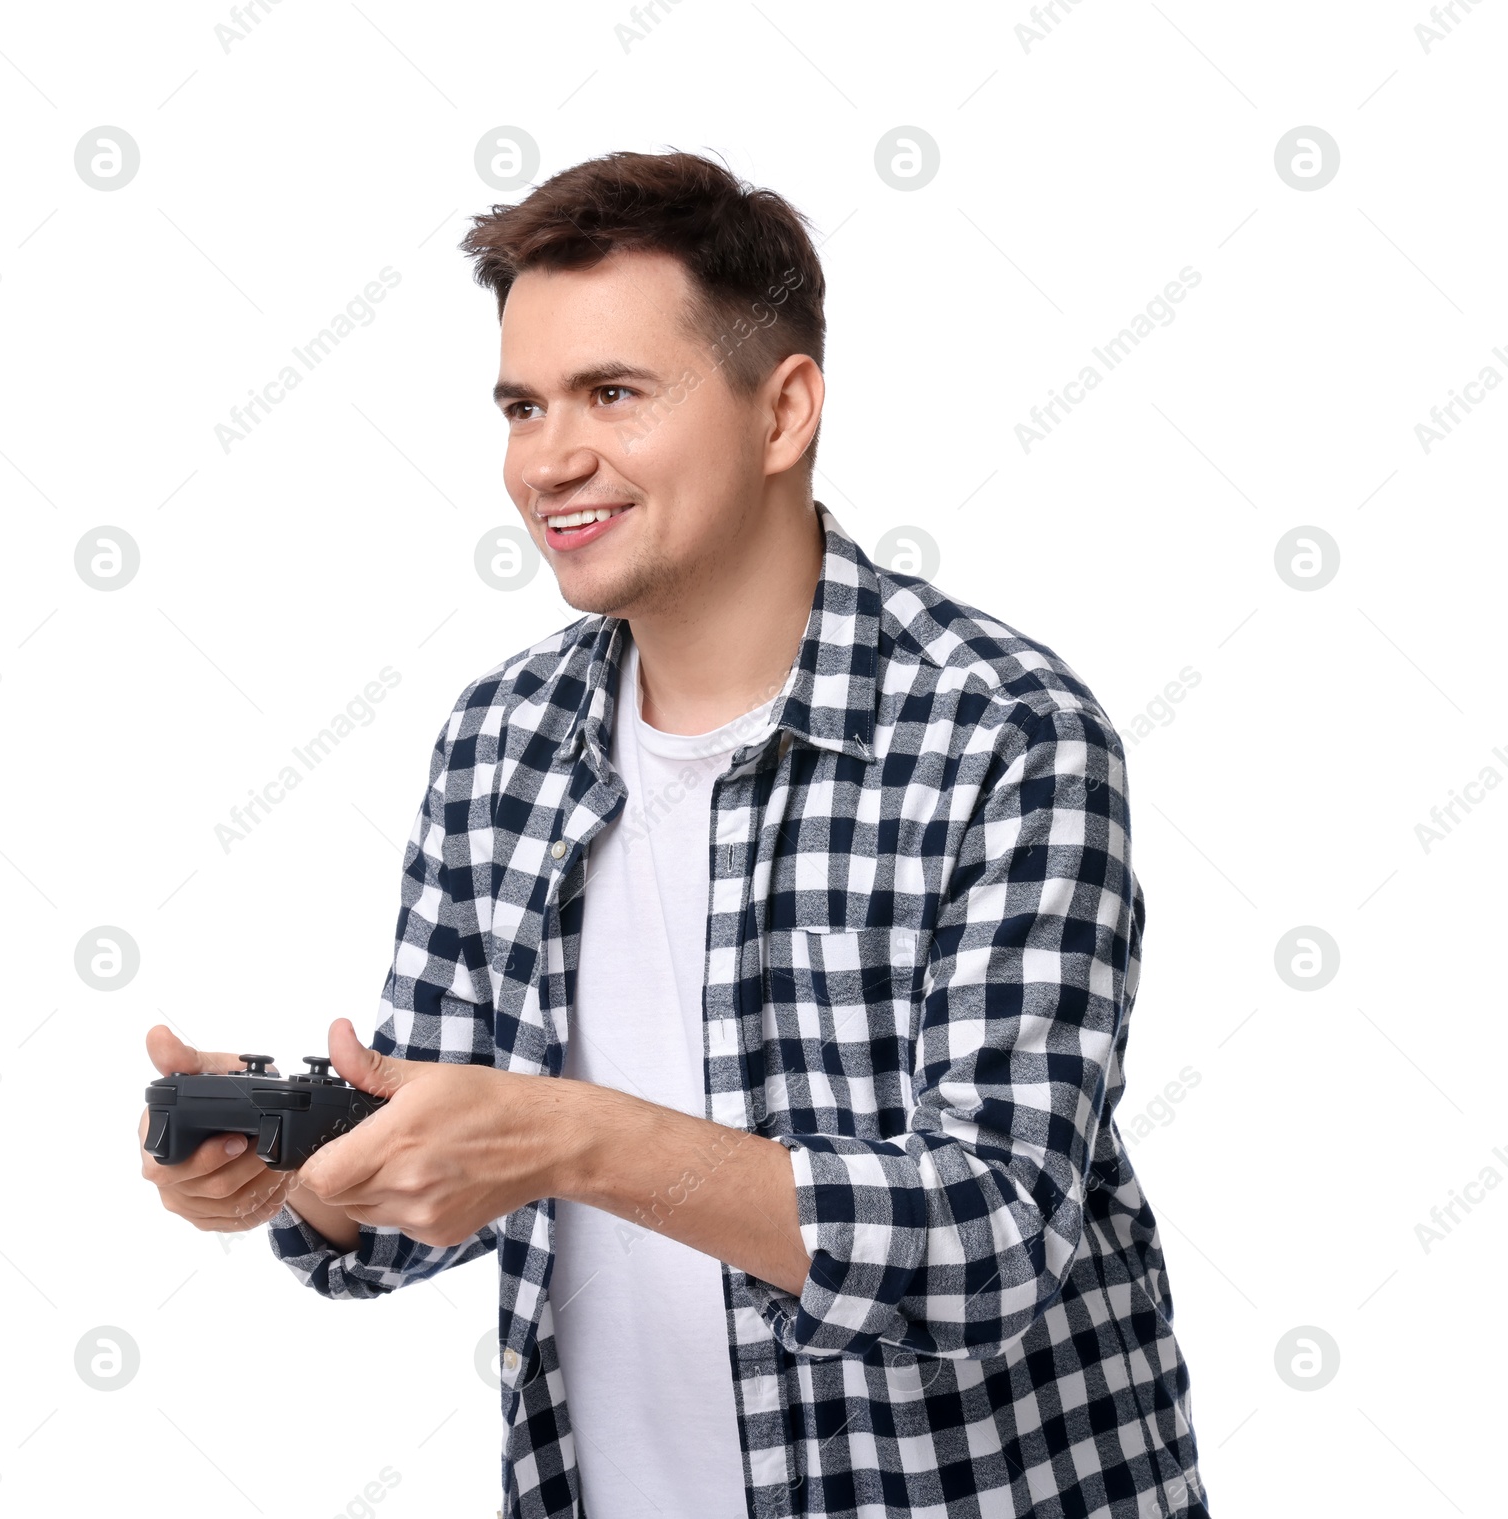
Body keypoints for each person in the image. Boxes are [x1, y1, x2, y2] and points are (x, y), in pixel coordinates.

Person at [139, 149, 1208, 1519]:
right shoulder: (498, 741)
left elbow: (989, 1241)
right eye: (522, 405)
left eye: (613, 395)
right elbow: (453, 1172)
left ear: (784, 414)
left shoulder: (1004, 733)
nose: (548, 459)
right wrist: (310, 1169)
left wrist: (574, 1138)